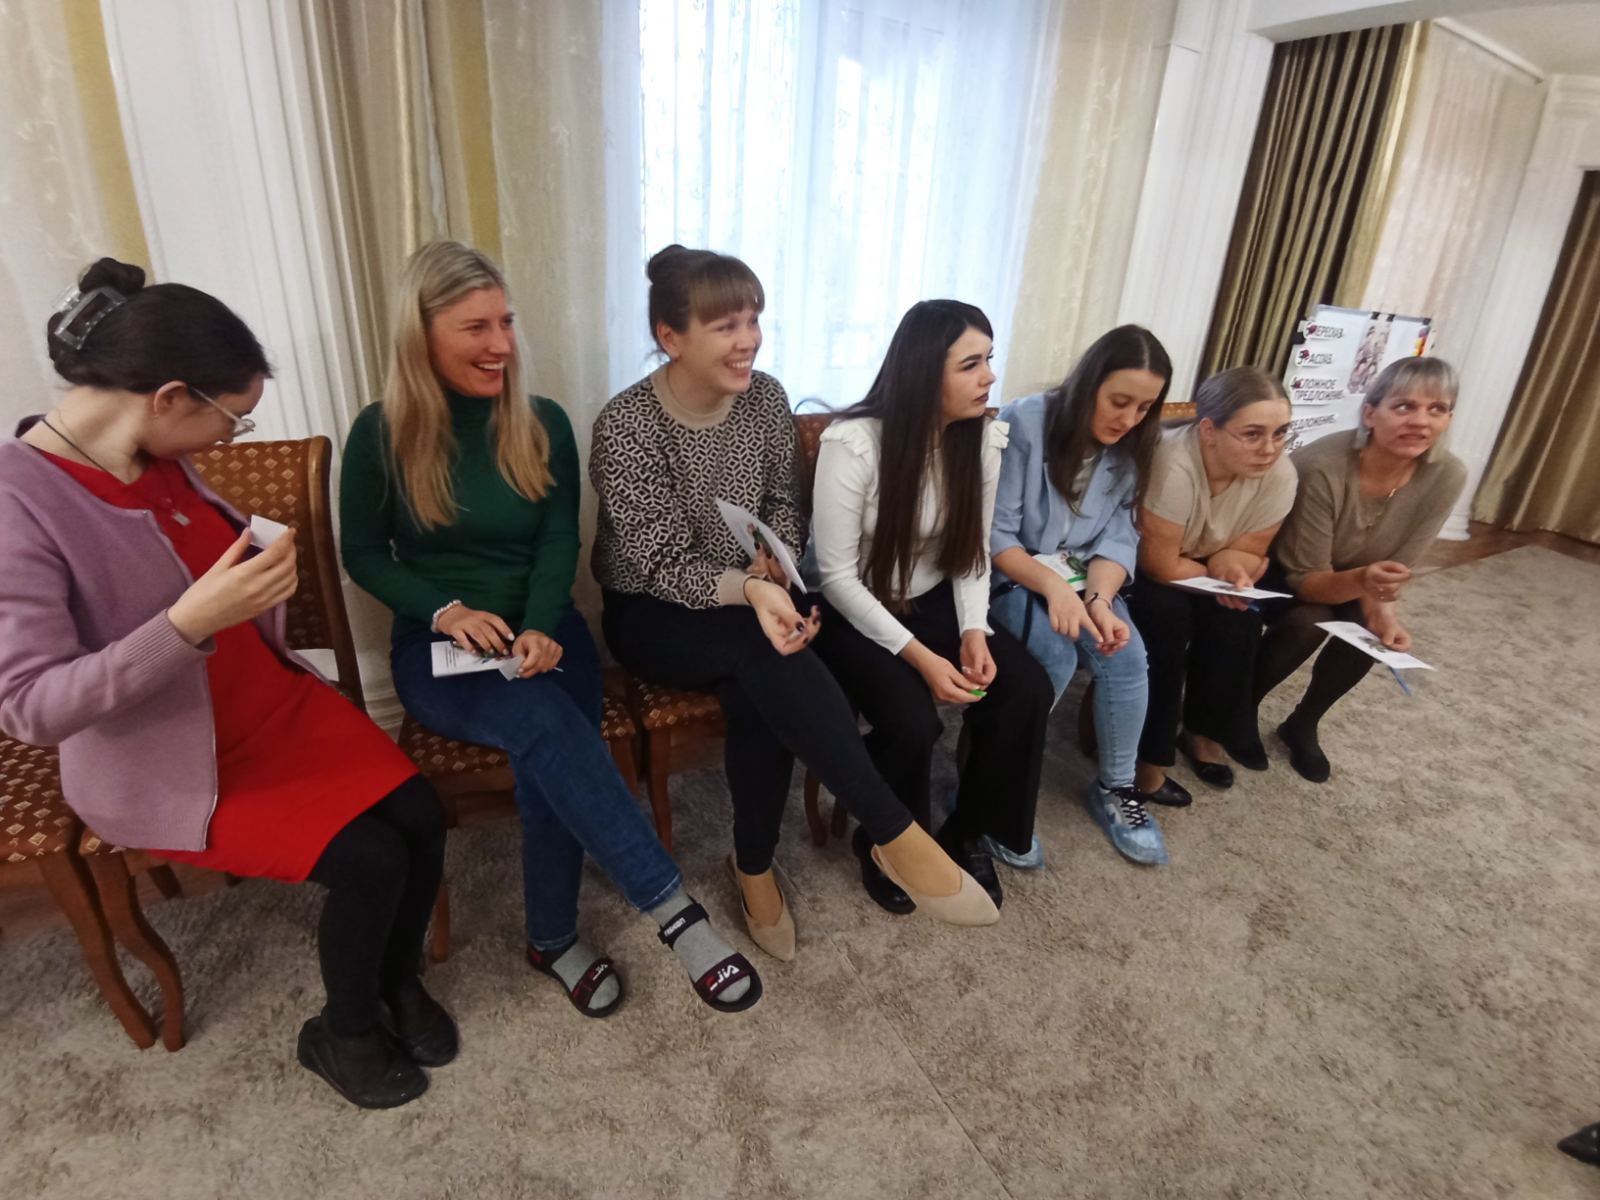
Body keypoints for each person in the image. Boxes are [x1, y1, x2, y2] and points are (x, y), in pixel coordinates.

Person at [0, 258, 452, 1110]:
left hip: (269, 706)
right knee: (370, 859)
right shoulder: (16, 500)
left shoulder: (154, 455)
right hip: (172, 759)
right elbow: (29, 707)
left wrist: (257, 558)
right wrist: (185, 624)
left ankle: (395, 982)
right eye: (231, 419)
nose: (230, 439)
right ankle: (343, 1030)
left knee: (421, 814)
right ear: (170, 397)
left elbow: (193, 559)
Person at [341, 240, 760, 1018]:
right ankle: (672, 910)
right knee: (545, 726)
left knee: (548, 755)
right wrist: (446, 611)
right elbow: (363, 553)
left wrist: (539, 625)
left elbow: (557, 538)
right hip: (439, 648)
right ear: (421, 334)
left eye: (505, 322)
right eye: (475, 328)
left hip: (548, 632)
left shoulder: (541, 421)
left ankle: (552, 938)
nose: (500, 344)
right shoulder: (380, 433)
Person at [592, 247, 994, 942]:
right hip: (655, 612)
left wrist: (773, 562)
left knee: (764, 676)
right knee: (764, 650)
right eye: (725, 325)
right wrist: (752, 589)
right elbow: (656, 563)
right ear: (670, 337)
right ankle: (893, 830)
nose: (747, 339)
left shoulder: (766, 397)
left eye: (753, 320)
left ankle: (753, 864)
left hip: (758, 595)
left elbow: (784, 500)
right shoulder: (626, 424)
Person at [805, 300, 1053, 908]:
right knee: (912, 719)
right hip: (848, 607)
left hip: (930, 594)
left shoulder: (981, 439)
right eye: (971, 364)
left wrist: (974, 631)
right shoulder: (855, 442)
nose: (990, 376)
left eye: (989, 359)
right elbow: (835, 577)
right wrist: (920, 657)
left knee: (1025, 688)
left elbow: (971, 553)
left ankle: (968, 829)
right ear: (922, 370)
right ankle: (887, 839)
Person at [989, 325, 1179, 869]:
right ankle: (997, 789)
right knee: (1053, 653)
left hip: (1081, 575)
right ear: (1088, 384)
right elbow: (996, 534)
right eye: (1119, 401)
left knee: (1128, 654)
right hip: (1013, 571)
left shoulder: (1137, 443)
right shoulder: (1025, 422)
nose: (1129, 419)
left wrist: (1098, 600)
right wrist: (1053, 587)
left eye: (1144, 407)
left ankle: (1116, 788)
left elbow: (1119, 536)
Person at [1252, 358, 1466, 781]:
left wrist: (1385, 615)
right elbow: (1307, 580)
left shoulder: (1448, 475)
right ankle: (1239, 707)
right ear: (1369, 413)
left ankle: (1304, 722)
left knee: (1368, 631)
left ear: (1448, 419)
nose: (1421, 421)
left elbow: (1395, 569)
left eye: (1437, 409)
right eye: (1404, 406)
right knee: (1310, 620)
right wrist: (1366, 583)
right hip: (1284, 573)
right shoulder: (1321, 466)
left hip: (1355, 579)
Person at [1130, 366, 1297, 801]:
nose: (1270, 449)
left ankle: (1203, 732)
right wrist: (1218, 575)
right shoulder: (1173, 464)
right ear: (1209, 431)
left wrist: (1233, 572)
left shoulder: (1281, 474)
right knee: (1167, 618)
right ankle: (1150, 753)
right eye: (1253, 434)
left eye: (1281, 433)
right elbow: (1158, 564)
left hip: (1198, 561)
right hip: (1140, 563)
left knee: (1239, 620)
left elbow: (1247, 549)